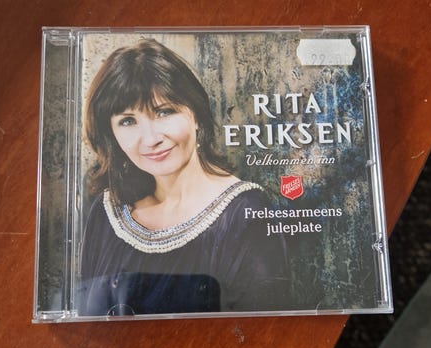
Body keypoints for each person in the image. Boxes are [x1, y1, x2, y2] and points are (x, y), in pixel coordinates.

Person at [77, 38, 291, 317]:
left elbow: (264, 331)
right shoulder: (106, 212)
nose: (150, 139)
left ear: (196, 115)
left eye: (164, 112)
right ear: (112, 134)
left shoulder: (247, 213)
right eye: (127, 121)